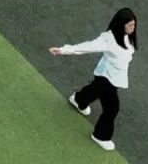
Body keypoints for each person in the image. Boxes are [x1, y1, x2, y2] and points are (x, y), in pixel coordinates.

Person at [49, 8, 139, 152]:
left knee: (94, 90)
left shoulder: (129, 38)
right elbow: (87, 47)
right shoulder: (108, 40)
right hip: (107, 77)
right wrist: (63, 50)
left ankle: (78, 100)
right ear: (120, 24)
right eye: (130, 25)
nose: (133, 27)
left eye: (134, 24)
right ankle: (101, 136)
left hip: (114, 77)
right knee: (112, 108)